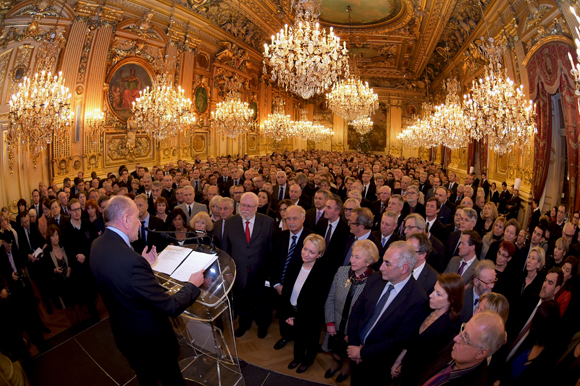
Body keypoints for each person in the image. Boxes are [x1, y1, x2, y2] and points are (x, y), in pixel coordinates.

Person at [90, 195, 204, 386]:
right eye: (137, 218)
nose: (140, 224)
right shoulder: (132, 262)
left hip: (126, 337)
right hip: (152, 343)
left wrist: (144, 266)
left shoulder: (97, 244)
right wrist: (192, 285)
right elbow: (170, 305)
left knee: (146, 379)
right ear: (126, 219)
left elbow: (121, 282)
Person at [347, 241, 429, 386]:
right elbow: (356, 311)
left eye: (387, 263)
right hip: (354, 354)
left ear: (404, 268)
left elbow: (398, 340)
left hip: (378, 365)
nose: (381, 267)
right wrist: (354, 346)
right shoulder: (375, 279)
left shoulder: (417, 299)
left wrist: (363, 353)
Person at [391, 273, 465, 386]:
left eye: (438, 294)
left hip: (416, 377)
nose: (431, 295)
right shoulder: (428, 309)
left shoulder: (447, 328)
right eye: (434, 290)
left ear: (451, 300)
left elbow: (425, 361)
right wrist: (399, 359)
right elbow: (412, 340)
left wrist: (402, 369)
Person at [323, 239, 378, 383]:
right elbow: (330, 298)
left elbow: (371, 315)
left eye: (357, 257)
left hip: (354, 330)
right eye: (352, 255)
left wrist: (354, 333)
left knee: (349, 353)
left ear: (368, 262)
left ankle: (347, 368)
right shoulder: (341, 271)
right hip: (336, 322)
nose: (351, 260)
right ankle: (335, 364)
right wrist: (330, 322)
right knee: (335, 348)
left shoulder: (375, 281)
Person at [222, 192, 274, 338]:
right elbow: (226, 249)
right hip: (239, 273)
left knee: (262, 303)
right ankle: (245, 324)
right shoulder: (230, 222)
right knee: (242, 301)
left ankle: (263, 326)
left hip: (260, 273)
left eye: (249, 206)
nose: (245, 209)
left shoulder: (268, 223)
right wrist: (227, 271)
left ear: (257, 207)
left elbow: (271, 251)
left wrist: (270, 274)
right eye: (243, 205)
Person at [282, 234, 333, 373]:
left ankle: (307, 361)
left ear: (320, 254)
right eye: (305, 249)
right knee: (298, 339)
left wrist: (298, 319)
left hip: (311, 316)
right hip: (293, 311)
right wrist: (288, 313)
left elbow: (318, 302)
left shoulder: (323, 273)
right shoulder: (295, 264)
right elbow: (286, 290)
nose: (306, 254)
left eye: (312, 252)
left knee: (311, 340)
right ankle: (297, 358)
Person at [419, 311, 506, 386]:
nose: (456, 338)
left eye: (465, 338)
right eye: (462, 330)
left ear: (481, 353)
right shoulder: (455, 348)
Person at [271, 205, 312, 350]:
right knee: (283, 314)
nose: (291, 222)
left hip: (299, 290)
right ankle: (285, 336)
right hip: (280, 288)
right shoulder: (279, 237)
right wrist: (276, 284)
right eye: (288, 218)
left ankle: (299, 340)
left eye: (295, 218)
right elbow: (272, 262)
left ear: (303, 218)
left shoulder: (311, 239)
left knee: (299, 318)